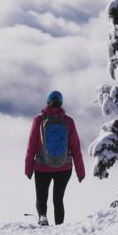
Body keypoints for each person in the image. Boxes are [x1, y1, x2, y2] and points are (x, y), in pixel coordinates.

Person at [24, 90, 85, 226]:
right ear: (61, 103)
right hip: (64, 168)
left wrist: (28, 169)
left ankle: (43, 217)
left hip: (42, 166)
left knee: (41, 197)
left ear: (48, 102)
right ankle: (59, 227)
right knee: (58, 199)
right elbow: (75, 148)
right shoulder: (68, 122)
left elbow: (31, 146)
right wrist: (80, 172)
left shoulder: (38, 120)